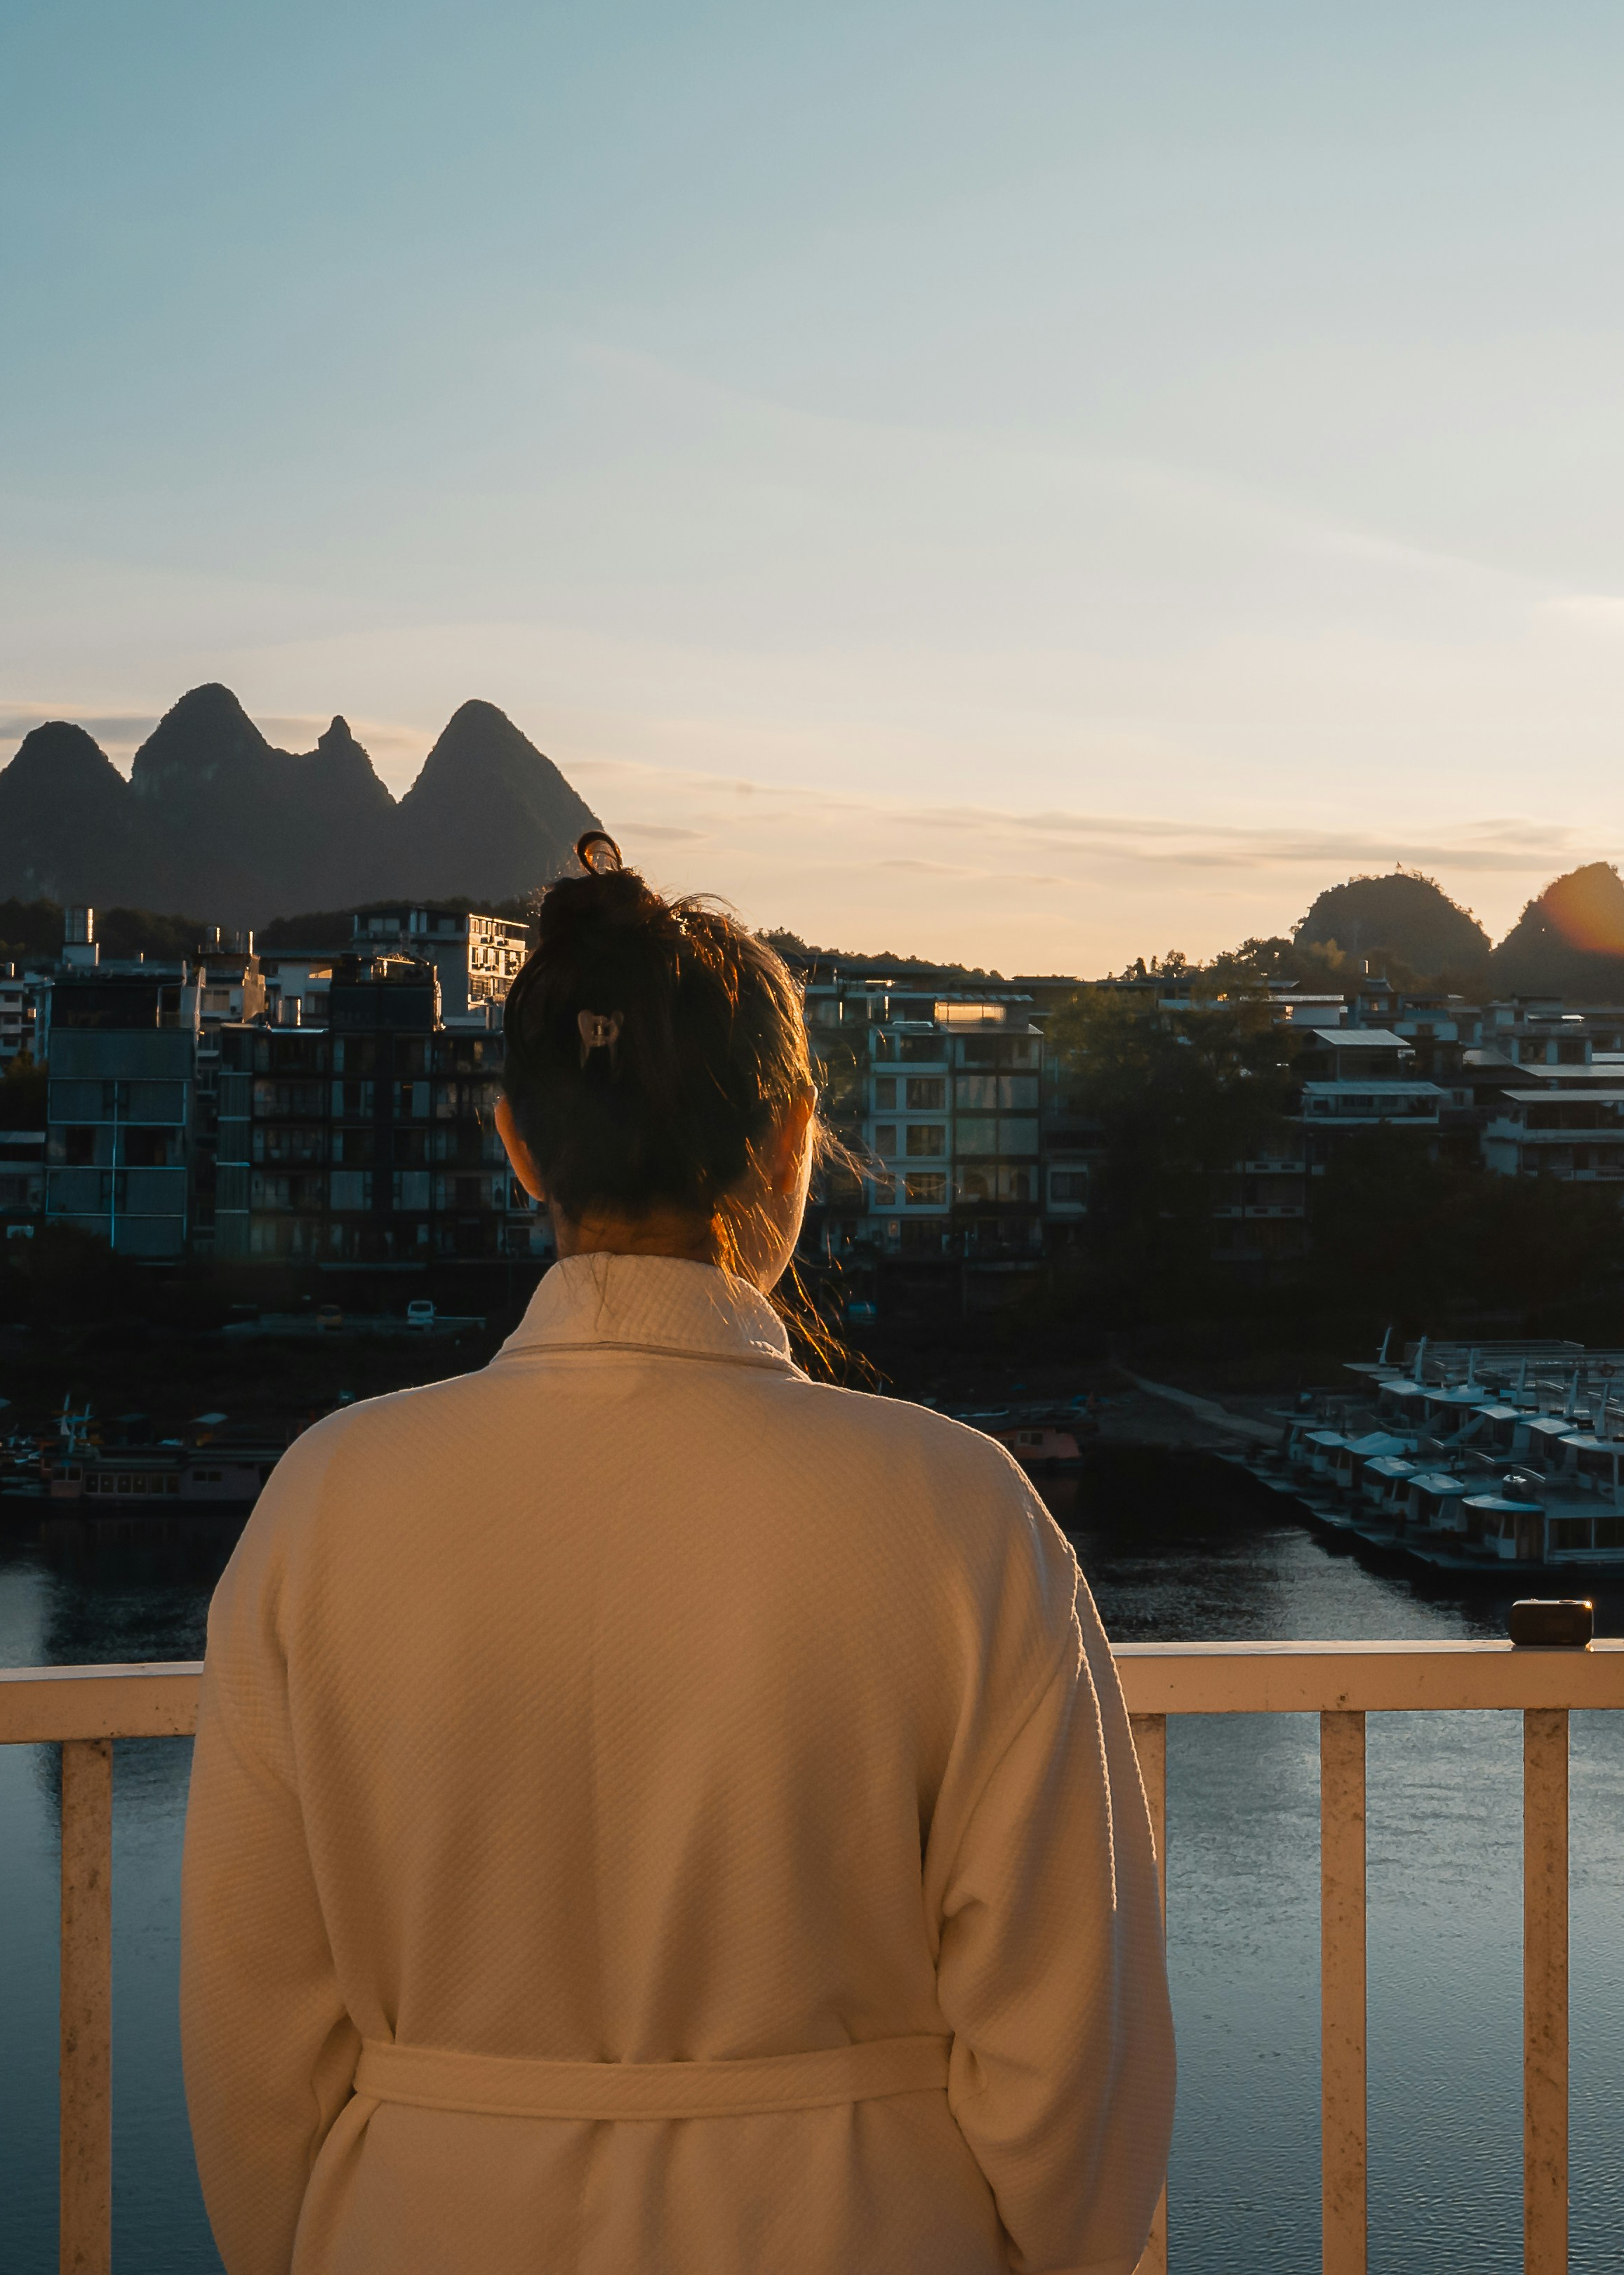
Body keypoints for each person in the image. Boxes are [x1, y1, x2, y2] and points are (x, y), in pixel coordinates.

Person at [182, 847, 1171, 2273]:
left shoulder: (328, 1502)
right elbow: (1077, 2051)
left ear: (520, 1143)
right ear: (791, 1142)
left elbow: (249, 2034)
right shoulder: (961, 1513)